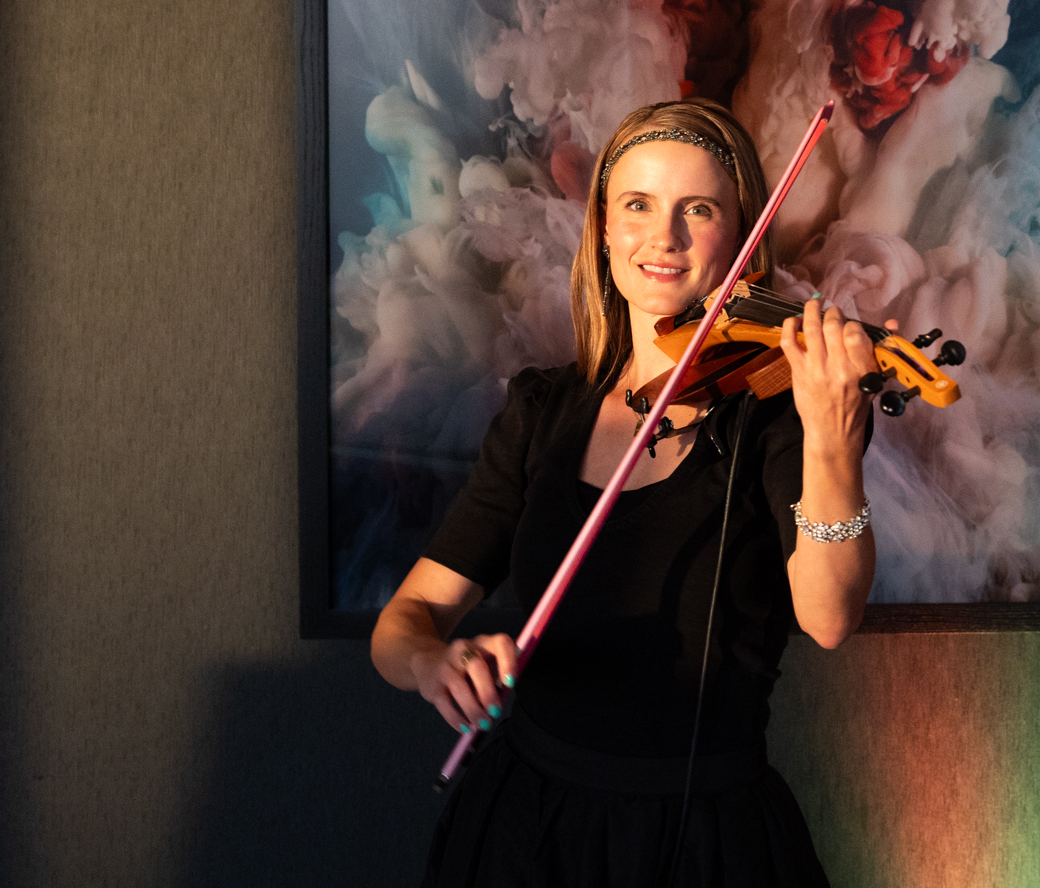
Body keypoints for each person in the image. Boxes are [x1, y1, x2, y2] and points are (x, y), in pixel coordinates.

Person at [371, 99, 879, 887]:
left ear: (741, 239)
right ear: (604, 228)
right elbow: (403, 623)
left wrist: (833, 440)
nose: (663, 237)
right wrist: (436, 661)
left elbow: (829, 616)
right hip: (528, 833)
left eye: (698, 209)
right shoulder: (542, 411)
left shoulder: (786, 413)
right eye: (638, 204)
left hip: (706, 844)